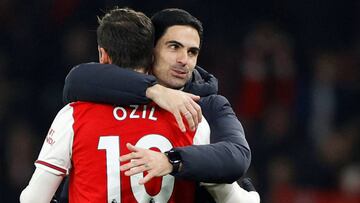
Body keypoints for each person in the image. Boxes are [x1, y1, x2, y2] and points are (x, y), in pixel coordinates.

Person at [20, 7, 259, 203]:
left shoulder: (204, 107)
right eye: (173, 47)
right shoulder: (192, 121)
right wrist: (153, 91)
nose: (183, 60)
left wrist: (171, 160)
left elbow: (237, 158)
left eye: (192, 52)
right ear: (151, 51)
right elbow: (231, 198)